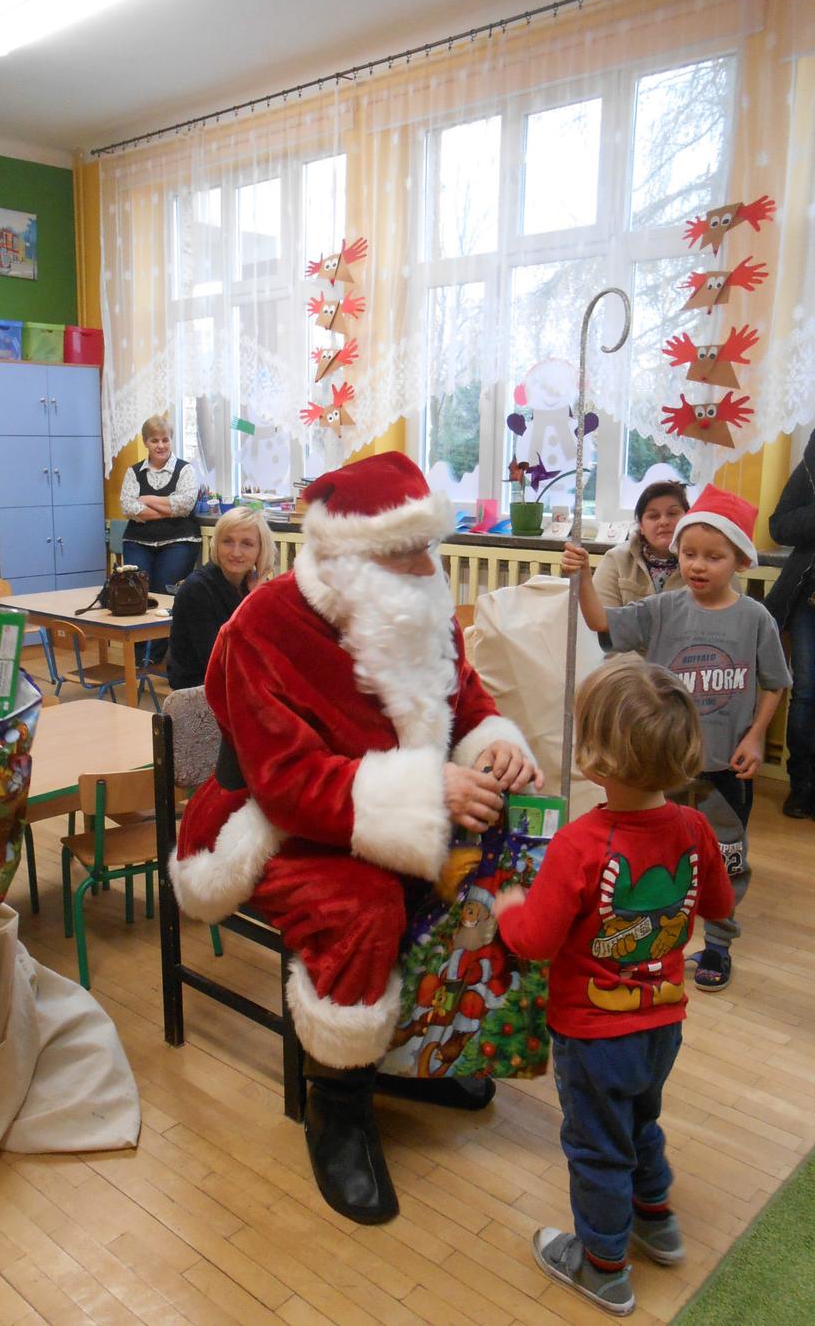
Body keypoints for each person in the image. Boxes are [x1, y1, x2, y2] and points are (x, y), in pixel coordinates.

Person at [172, 452, 541, 1224]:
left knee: (483, 862)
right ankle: (336, 1098)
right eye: (406, 551)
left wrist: (492, 741)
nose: (426, 566)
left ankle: (420, 1045)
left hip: (381, 808)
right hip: (275, 823)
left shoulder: (417, 603)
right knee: (363, 901)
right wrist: (427, 786)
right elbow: (285, 782)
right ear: (349, 553)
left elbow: (464, 699)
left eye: (428, 549)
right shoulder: (263, 623)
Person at [493, 659, 733, 1317]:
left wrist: (508, 907)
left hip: (593, 1035)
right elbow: (716, 899)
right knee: (640, 1120)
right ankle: (656, 1220)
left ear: (594, 757)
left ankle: (603, 1263)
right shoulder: (696, 829)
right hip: (664, 1024)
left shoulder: (577, 844)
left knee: (597, 1142)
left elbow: (534, 940)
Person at [562, 484, 790, 993]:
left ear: (740, 560)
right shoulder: (662, 608)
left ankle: (720, 943)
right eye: (689, 554)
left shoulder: (756, 619)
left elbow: (777, 683)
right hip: (663, 764)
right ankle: (652, 930)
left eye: (714, 556)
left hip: (723, 772)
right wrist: (581, 577)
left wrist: (754, 737)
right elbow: (601, 621)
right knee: (658, 854)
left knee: (726, 857)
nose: (698, 566)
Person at [166, 506, 274, 691]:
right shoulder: (197, 588)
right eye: (227, 542)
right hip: (199, 690)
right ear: (216, 544)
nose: (236, 552)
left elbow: (272, 648)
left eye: (247, 544)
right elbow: (220, 661)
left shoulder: (251, 585)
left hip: (240, 682)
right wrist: (254, 605)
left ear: (260, 549)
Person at [764, 429, 815, 819]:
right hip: (809, 599)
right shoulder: (809, 469)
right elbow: (778, 526)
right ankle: (803, 787)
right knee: (808, 693)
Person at [119, 415, 200, 593]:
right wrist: (171, 508)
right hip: (138, 542)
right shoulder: (133, 472)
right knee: (137, 592)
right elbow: (128, 507)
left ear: (171, 440)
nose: (160, 445)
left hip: (179, 541)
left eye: (165, 440)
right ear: (145, 442)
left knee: (165, 591)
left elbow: (185, 504)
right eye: (154, 440)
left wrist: (147, 500)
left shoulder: (186, 470)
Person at [592, 481, 689, 609]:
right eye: (653, 516)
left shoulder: (703, 561)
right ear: (641, 526)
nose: (664, 522)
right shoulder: (616, 559)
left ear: (688, 518)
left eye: (672, 513)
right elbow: (603, 619)